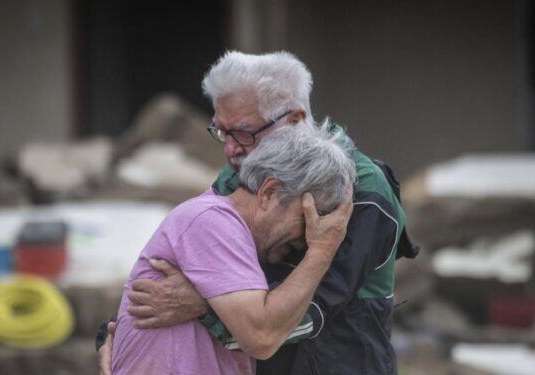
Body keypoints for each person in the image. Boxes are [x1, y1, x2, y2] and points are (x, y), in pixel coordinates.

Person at [98, 51, 413, 374]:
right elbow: (189, 270)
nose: (230, 149)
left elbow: (310, 314)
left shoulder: (362, 191)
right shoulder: (236, 179)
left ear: (295, 119)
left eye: (245, 133)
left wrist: (205, 303)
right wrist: (121, 332)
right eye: (222, 131)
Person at [111, 125, 356, 374]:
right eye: (306, 218)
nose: (309, 236)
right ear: (269, 192)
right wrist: (323, 249)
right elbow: (262, 336)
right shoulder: (211, 222)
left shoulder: (227, 230)